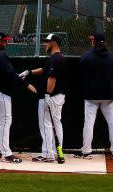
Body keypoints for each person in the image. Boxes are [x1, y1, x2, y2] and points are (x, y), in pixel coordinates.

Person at [0, 32, 37, 164]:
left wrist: (17, 77)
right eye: (4, 41)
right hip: (0, 92)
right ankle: (6, 154)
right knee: (5, 121)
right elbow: (9, 73)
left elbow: (6, 73)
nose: (7, 43)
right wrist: (26, 84)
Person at [18, 33, 67, 163]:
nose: (46, 43)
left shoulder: (56, 59)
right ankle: (57, 151)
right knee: (56, 124)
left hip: (52, 96)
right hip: (57, 96)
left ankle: (47, 154)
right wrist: (29, 72)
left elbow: (52, 78)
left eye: (48, 42)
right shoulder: (56, 58)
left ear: (54, 43)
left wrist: (47, 95)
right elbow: (44, 70)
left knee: (46, 125)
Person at [75, 32, 113, 160]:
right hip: (109, 95)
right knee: (112, 123)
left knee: (89, 123)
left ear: (94, 41)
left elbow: (80, 76)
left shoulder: (86, 56)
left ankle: (86, 151)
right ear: (104, 42)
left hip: (91, 95)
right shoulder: (112, 57)